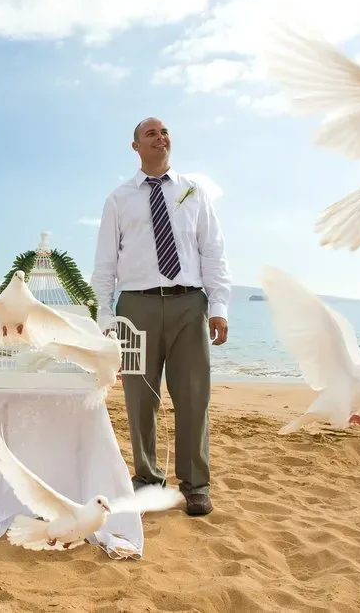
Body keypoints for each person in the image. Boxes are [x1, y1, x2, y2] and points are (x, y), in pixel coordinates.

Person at [90, 117, 231, 516]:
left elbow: (213, 251)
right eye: (150, 133)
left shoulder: (194, 192)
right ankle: (148, 478)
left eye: (164, 131)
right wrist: (105, 316)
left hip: (190, 303)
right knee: (139, 397)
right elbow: (105, 264)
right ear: (135, 146)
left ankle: (196, 484)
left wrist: (218, 306)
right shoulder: (119, 199)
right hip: (136, 307)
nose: (160, 137)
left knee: (193, 396)